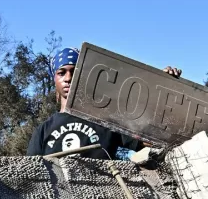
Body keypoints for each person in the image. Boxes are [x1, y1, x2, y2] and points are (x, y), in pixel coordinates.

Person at [26, 47, 181, 159]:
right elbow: (32, 174)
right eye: (62, 73)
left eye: (74, 72)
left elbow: (153, 141)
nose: (68, 78)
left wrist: (164, 90)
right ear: (55, 79)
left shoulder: (105, 121)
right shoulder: (43, 131)